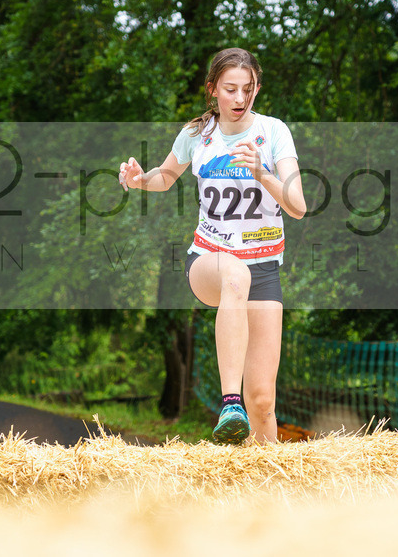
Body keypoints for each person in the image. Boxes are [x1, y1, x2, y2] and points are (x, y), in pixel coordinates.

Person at [118, 47, 307, 444]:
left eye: (248, 89)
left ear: (257, 88)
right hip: (210, 261)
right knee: (234, 275)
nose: (240, 99)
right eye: (230, 90)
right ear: (212, 91)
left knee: (264, 401)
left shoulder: (274, 132)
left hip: (265, 269)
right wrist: (139, 180)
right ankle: (229, 403)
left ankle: (268, 485)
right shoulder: (196, 134)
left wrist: (263, 173)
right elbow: (165, 177)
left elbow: (298, 206)